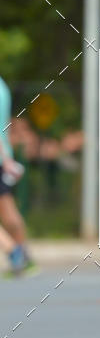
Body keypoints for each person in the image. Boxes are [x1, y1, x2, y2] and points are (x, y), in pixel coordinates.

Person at [0, 76, 34, 276]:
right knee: (8, 210)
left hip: (3, 157)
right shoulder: (3, 87)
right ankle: (24, 255)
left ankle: (14, 251)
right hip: (3, 157)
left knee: (8, 210)